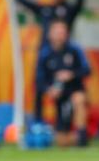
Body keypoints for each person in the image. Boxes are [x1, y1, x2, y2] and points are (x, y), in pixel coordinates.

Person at [14, 0, 87, 120]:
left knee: (66, 89)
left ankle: (65, 122)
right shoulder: (46, 9)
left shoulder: (68, 10)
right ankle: (38, 121)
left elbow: (79, 4)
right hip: (46, 53)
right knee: (40, 86)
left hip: (63, 55)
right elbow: (25, 2)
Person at [36, 19, 91, 147]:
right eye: (57, 32)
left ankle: (82, 135)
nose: (60, 36)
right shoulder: (45, 54)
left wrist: (71, 74)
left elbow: (87, 70)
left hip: (74, 89)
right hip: (59, 96)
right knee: (62, 142)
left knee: (79, 99)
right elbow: (39, 80)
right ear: (50, 34)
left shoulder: (75, 49)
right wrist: (49, 90)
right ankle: (70, 138)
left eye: (62, 32)